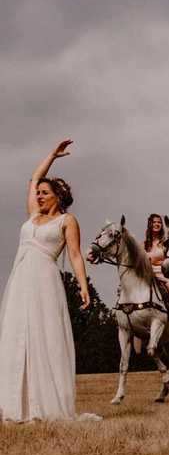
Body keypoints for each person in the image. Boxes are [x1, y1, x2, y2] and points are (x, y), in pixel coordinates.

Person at [0, 139, 100, 422]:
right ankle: (12, 404)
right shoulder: (33, 216)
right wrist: (52, 156)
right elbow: (33, 179)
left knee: (44, 335)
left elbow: (76, 255)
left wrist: (83, 286)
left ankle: (44, 405)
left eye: (45, 193)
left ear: (58, 196)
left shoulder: (67, 221)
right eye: (39, 193)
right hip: (20, 279)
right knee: (16, 333)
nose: (40, 196)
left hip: (44, 281)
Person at [144, 213, 169, 306]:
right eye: (154, 222)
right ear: (150, 224)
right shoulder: (144, 244)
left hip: (164, 273)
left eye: (159, 222)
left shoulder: (166, 242)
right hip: (148, 274)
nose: (157, 224)